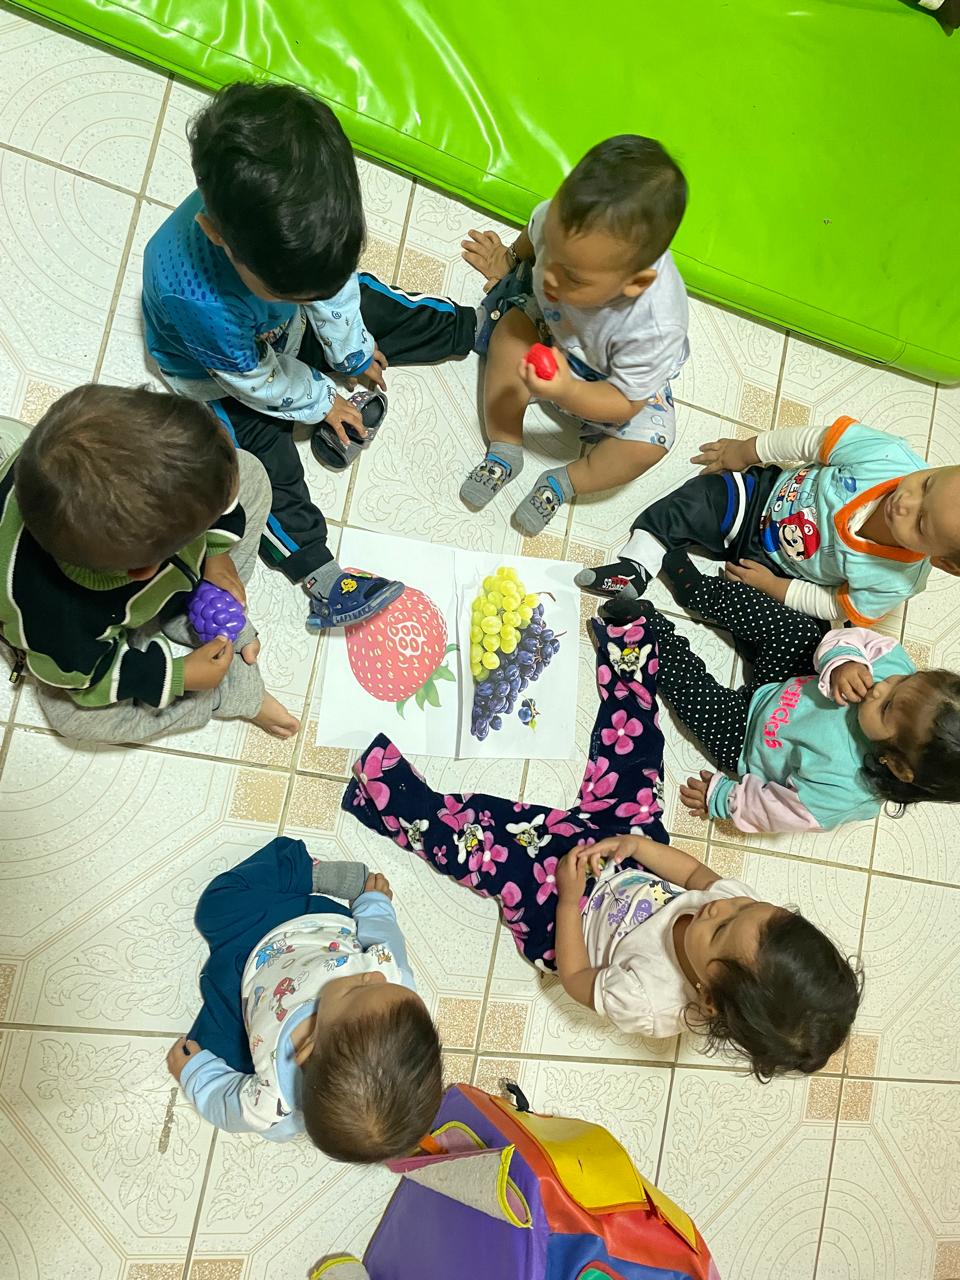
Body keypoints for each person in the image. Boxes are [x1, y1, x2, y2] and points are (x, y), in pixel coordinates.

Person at [344, 617, 861, 1080]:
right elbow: (694, 875)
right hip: (624, 858)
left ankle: (389, 792)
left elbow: (575, 978)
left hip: (559, 915)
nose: (721, 907)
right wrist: (637, 844)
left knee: (484, 845)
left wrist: (570, 899)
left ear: (708, 996)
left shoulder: (650, 1002)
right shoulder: (739, 916)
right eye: (746, 907)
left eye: (721, 928)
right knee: (638, 761)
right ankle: (626, 643)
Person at [142, 80, 478, 630]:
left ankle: (475, 328)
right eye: (293, 292)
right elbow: (256, 381)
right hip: (223, 375)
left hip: (279, 331)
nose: (314, 297)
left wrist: (351, 351)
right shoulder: (197, 299)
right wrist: (322, 402)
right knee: (252, 463)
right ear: (215, 234)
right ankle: (321, 577)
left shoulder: (307, 228)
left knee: (371, 302)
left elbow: (337, 293)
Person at [0, 385, 300, 744]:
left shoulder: (52, 463)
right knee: (76, 718)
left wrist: (217, 555)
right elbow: (91, 681)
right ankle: (225, 693)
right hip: (94, 632)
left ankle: (198, 603)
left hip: (142, 558)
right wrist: (179, 676)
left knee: (248, 471)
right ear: (144, 570)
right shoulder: (56, 624)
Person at [605, 563, 960, 832]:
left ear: (896, 765)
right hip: (793, 682)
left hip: (748, 741)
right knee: (799, 631)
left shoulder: (842, 791)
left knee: (694, 695)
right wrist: (844, 660)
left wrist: (724, 798)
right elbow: (854, 640)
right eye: (903, 681)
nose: (880, 687)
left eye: (886, 707)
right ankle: (699, 592)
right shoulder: (892, 666)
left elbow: (776, 810)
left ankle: (646, 631)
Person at [459, 135, 689, 535]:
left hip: (612, 385)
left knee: (651, 444)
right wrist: (509, 259)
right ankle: (505, 447)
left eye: (573, 276)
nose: (550, 278)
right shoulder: (557, 220)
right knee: (509, 332)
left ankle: (563, 483)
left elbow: (625, 403)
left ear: (634, 283)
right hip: (554, 330)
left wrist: (567, 391)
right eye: (553, 252)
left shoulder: (654, 327)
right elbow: (533, 233)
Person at [166, 838, 442, 1160]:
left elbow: (229, 1107)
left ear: (309, 1046)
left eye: (357, 989)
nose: (374, 975)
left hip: (246, 1015)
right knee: (217, 903)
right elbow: (384, 939)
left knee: (208, 1050)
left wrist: (197, 1076)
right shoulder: (392, 983)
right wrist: (374, 904)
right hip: (300, 930)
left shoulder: (273, 1103)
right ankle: (307, 872)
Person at [576, 418, 960, 626]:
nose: (905, 503)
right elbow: (812, 441)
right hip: (761, 498)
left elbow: (833, 604)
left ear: (942, 561)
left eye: (921, 524)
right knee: (696, 500)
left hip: (776, 571)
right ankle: (637, 567)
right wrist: (747, 451)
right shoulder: (888, 457)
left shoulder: (896, 582)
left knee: (788, 635)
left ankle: (683, 589)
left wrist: (775, 587)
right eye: (927, 484)